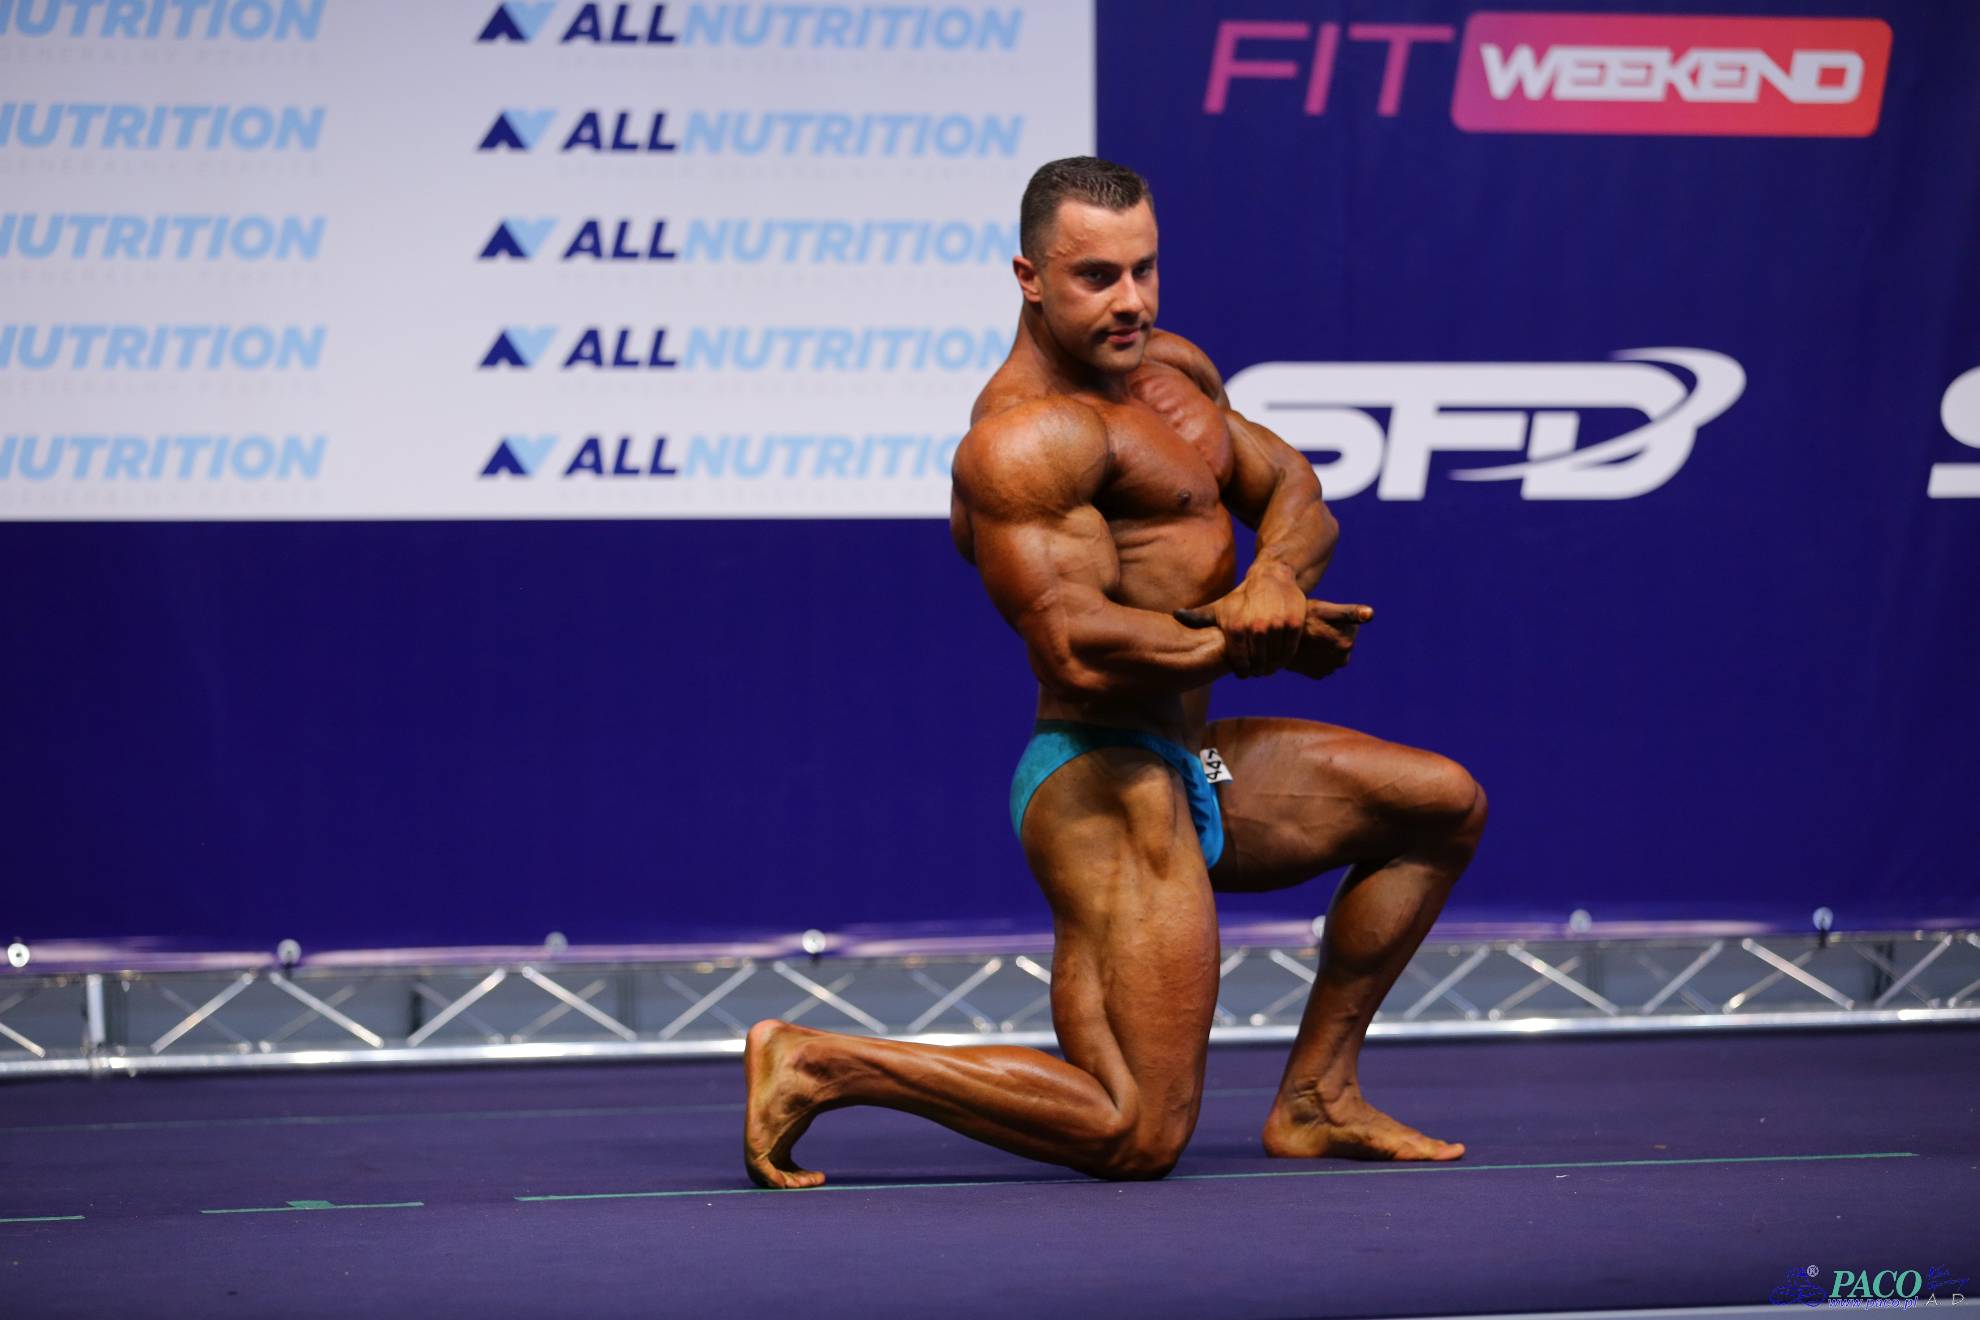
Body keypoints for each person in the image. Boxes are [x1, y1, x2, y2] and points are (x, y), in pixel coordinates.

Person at [743, 156, 1486, 1189]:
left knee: (1438, 806)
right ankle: (821, 1062)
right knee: (1136, 1132)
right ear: (1029, 277)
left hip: (1193, 757)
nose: (1131, 300)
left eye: (1145, 269)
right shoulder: (1022, 439)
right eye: (1096, 276)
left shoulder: (1172, 375)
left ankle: (1318, 1097)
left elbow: (1298, 494)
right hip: (1100, 778)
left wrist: (1273, 580)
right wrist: (1250, 638)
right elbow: (1077, 646)